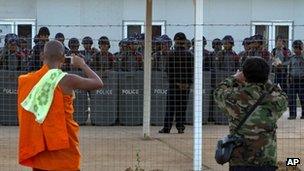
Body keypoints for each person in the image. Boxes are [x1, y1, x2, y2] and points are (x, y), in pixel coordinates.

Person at [17, 40, 103, 171]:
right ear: (63, 58)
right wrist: (83, 65)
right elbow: (98, 83)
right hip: (62, 145)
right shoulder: (67, 80)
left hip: (40, 145)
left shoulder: (28, 80)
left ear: (42, 56)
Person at [214, 57, 288, 171]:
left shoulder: (233, 97)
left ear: (244, 75)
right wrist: (266, 81)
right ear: (266, 75)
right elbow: (281, 93)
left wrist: (234, 78)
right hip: (266, 160)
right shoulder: (276, 100)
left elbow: (218, 91)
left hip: (239, 160)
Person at [159, 32, 194, 134]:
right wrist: (187, 84)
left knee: (170, 107)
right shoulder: (190, 55)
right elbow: (191, 71)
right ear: (184, 41)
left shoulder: (171, 54)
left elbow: (168, 71)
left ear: (175, 41)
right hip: (185, 86)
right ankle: (180, 127)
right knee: (182, 107)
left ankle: (167, 128)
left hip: (174, 85)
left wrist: (176, 83)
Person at [287, 40, 304, 120]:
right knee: (292, 98)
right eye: (295, 48)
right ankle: (292, 114)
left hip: (302, 80)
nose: (296, 50)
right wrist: (289, 77)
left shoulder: (303, 57)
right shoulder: (292, 58)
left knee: (302, 97)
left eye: (298, 48)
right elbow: (289, 68)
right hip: (293, 80)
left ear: (301, 48)